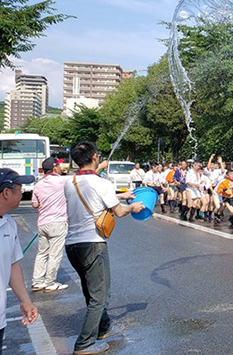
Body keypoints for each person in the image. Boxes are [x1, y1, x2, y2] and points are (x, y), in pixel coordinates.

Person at [64, 141, 144, 354]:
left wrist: (120, 195)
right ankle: (84, 344)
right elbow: (118, 212)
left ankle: (104, 326)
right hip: (92, 244)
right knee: (100, 295)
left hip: (72, 245)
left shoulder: (69, 182)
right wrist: (132, 206)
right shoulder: (102, 184)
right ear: (96, 157)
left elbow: (93, 195)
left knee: (91, 291)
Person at [0, 169, 39, 353]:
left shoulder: (9, 224)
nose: (23, 192)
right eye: (19, 188)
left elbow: (12, 264)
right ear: (6, 193)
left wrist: (25, 301)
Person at [31, 157, 70, 292]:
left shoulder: (38, 185)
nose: (61, 168)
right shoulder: (61, 181)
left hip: (42, 223)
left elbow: (35, 204)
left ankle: (37, 281)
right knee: (55, 254)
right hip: (57, 222)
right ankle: (50, 282)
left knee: (42, 253)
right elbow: (80, 180)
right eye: (59, 166)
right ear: (54, 168)